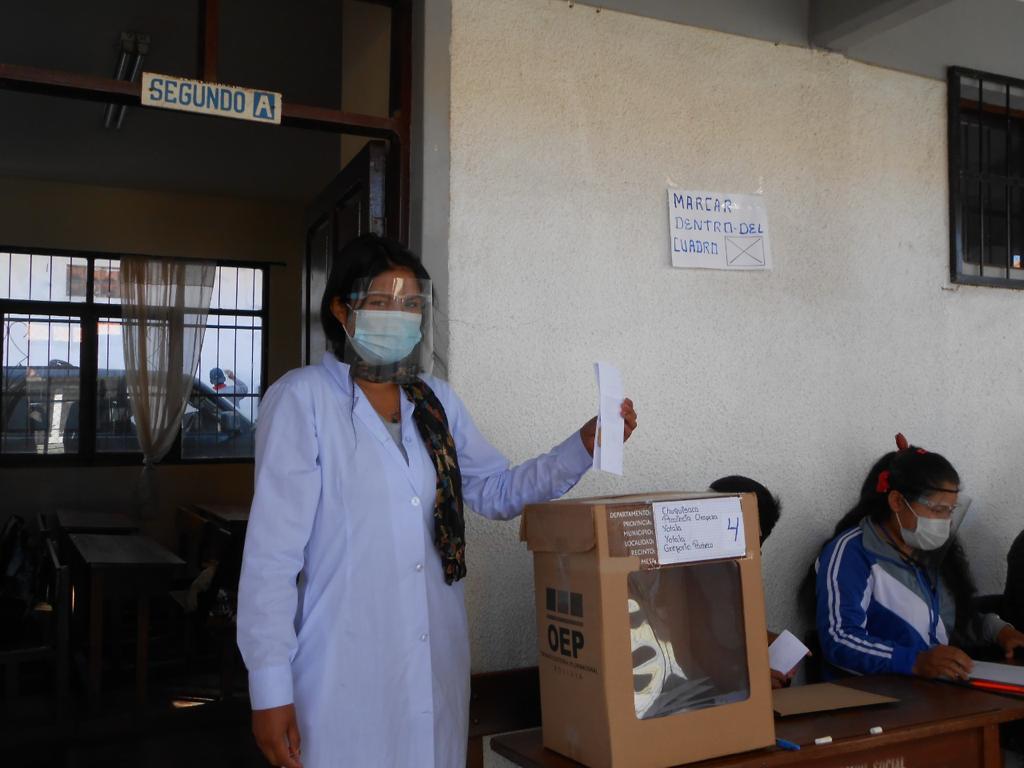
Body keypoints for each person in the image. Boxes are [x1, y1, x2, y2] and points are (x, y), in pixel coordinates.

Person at [236, 234, 638, 768]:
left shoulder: (434, 401)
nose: (397, 316)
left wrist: (581, 448)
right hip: (339, 668)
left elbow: (494, 490)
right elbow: (271, 559)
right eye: (379, 302)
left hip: (433, 660)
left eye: (410, 304)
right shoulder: (302, 399)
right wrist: (269, 688)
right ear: (341, 310)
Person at [815, 439, 1024, 681]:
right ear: (897, 502)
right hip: (868, 694)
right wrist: (914, 661)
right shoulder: (852, 552)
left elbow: (948, 621)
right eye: (937, 510)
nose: (946, 521)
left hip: (929, 688)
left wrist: (999, 632)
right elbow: (839, 638)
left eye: (951, 511)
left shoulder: (930, 551)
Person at [709, 475, 800, 689]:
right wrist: (748, 676)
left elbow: (730, 634)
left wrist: (769, 641)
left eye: (712, 514)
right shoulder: (691, 574)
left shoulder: (739, 575)